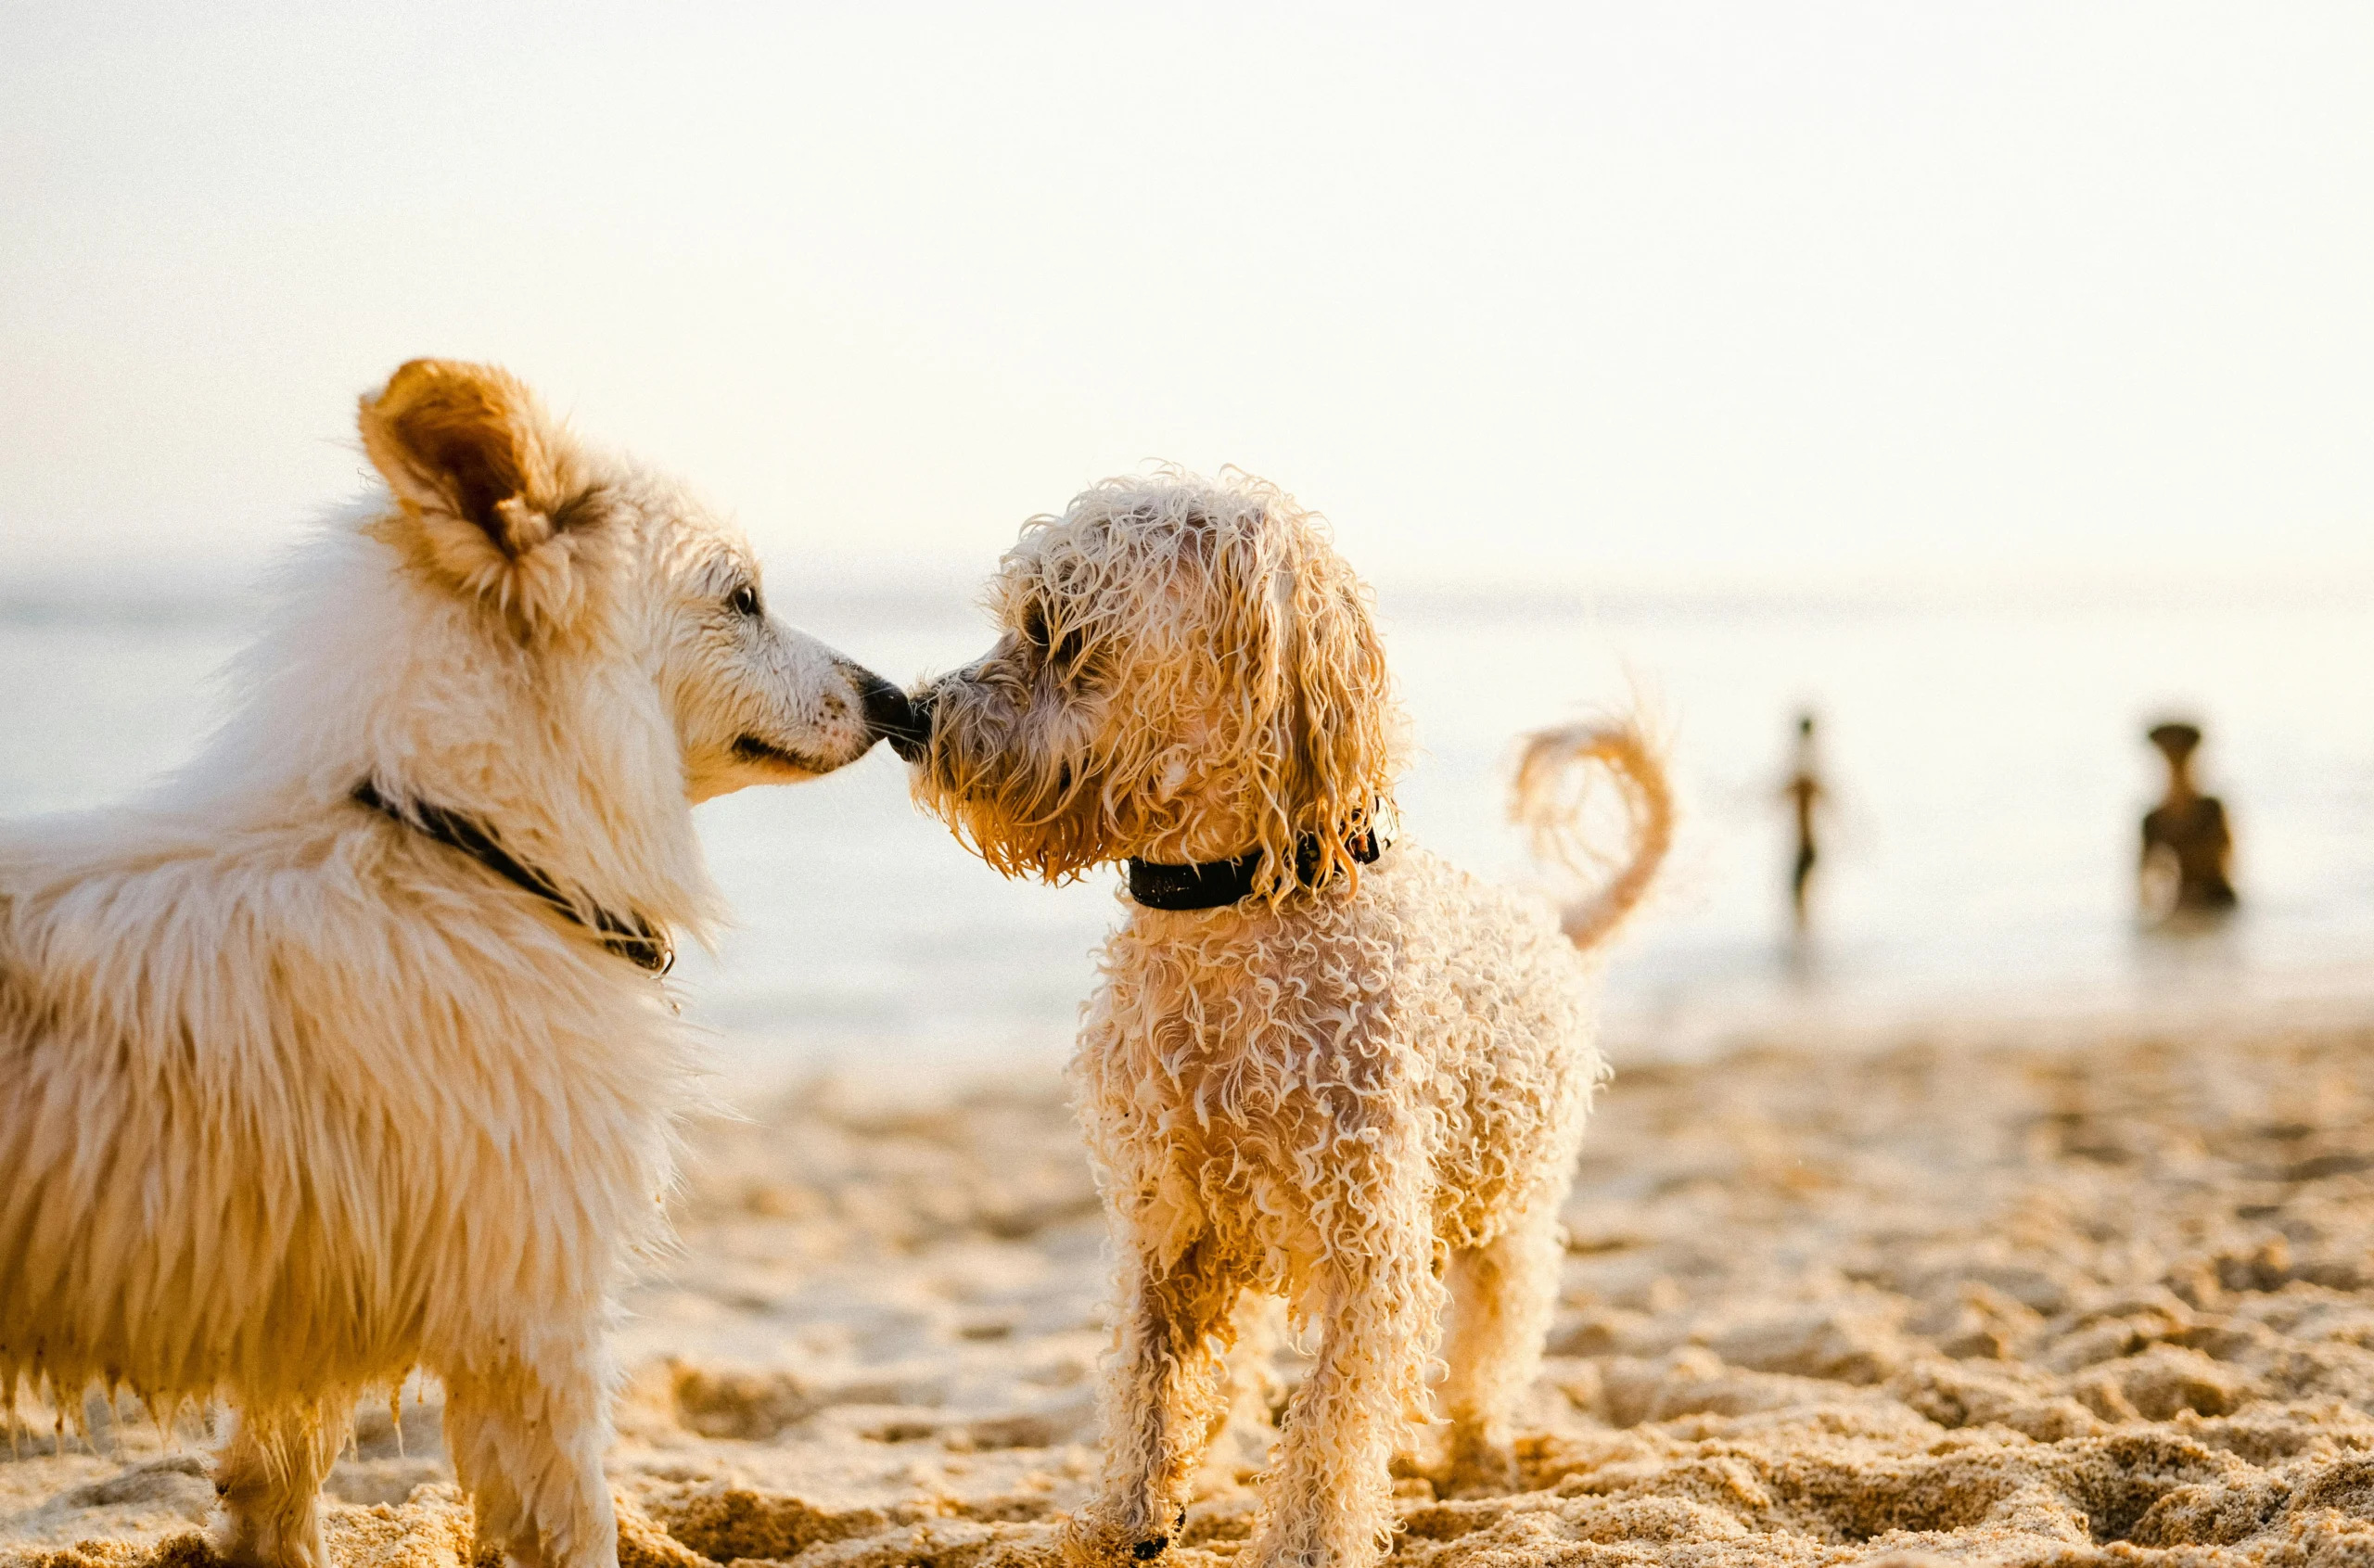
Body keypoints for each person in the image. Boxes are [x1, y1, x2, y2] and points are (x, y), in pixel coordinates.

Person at [2140, 720, 2238, 917]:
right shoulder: (2152, 820)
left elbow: (2225, 861)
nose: (2176, 769)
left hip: (2217, 908)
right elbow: (2145, 885)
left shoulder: (2211, 810)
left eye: (2181, 759)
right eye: (2171, 760)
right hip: (2180, 910)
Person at [1780, 712, 1824, 933]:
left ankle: (1803, 933)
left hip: (1806, 844)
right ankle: (1803, 933)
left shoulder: (1804, 774)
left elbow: (1786, 791)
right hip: (1807, 844)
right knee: (1798, 890)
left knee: (1797, 890)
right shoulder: (1808, 765)